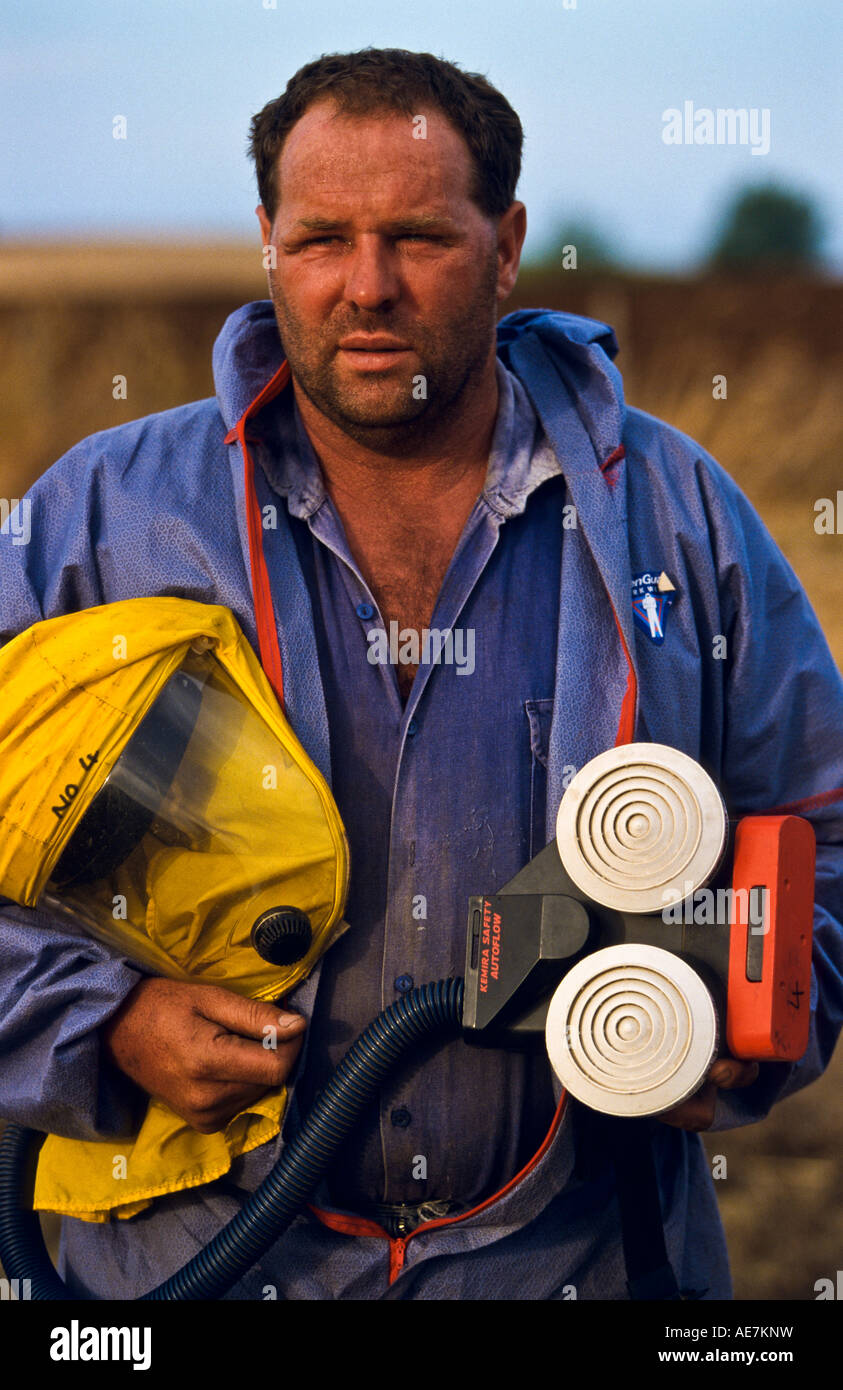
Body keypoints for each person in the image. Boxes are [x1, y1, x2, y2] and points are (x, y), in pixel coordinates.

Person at [0, 47, 841, 1301]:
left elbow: (821, 832)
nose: (367, 288)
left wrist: (749, 1036)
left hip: (587, 1263)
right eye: (322, 238)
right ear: (267, 243)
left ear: (505, 246)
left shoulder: (677, 515)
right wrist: (100, 1023)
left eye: (420, 238)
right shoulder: (99, 519)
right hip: (194, 1267)